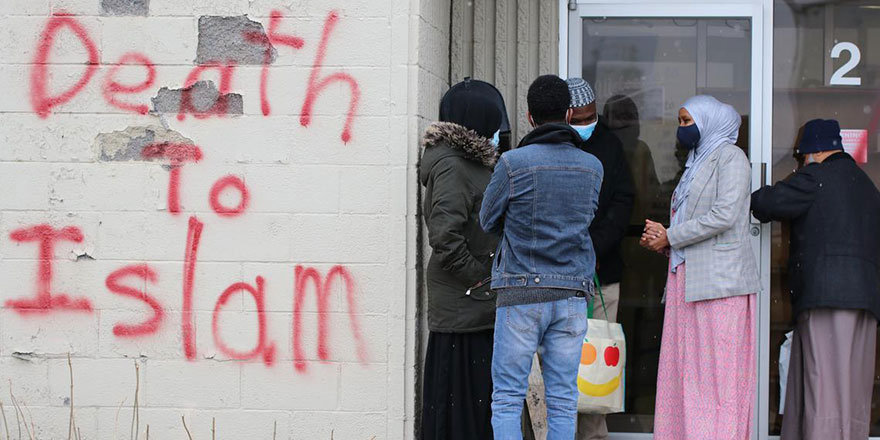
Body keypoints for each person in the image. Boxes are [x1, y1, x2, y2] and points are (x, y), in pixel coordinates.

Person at [480, 74, 603, 440]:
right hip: (570, 295)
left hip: (520, 292)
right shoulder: (593, 167)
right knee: (563, 399)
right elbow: (583, 218)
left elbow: (487, 219)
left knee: (506, 397)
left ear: (530, 117)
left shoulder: (513, 163)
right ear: (568, 113)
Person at [751, 119, 880, 440]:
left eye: (800, 156)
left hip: (826, 299)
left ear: (814, 151)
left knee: (823, 388)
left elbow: (764, 203)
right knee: (852, 391)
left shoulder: (815, 177)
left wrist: (794, 176)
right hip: (866, 303)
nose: (800, 162)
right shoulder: (867, 186)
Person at [640, 95, 760, 439]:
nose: (682, 130)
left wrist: (671, 236)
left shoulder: (731, 158)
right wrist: (662, 240)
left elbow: (724, 214)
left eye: (687, 122)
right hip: (688, 281)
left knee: (717, 379)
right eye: (679, 122)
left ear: (709, 122)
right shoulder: (695, 161)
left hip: (720, 286)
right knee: (686, 374)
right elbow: (690, 217)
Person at [419, 79, 508, 440]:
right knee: (457, 410)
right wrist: (481, 279)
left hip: (474, 305)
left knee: (474, 406)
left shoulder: (469, 161)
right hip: (462, 308)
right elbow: (444, 237)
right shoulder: (454, 166)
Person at [566, 78, 634, 440]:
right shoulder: (551, 146)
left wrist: (594, 246)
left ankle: (593, 435)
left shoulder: (610, 146)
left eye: (591, 117)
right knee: (559, 368)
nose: (586, 124)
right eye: (578, 119)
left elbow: (624, 201)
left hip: (601, 273)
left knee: (596, 364)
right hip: (558, 280)